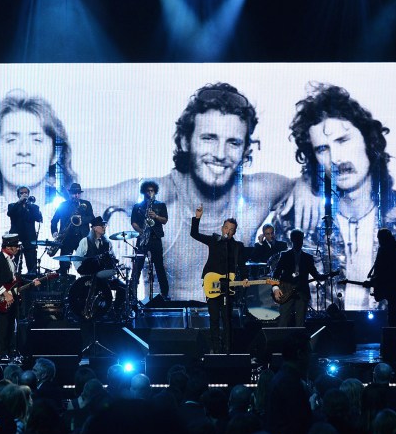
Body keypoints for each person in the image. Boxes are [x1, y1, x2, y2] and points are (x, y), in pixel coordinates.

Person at [84, 82, 312, 302]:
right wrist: (115, 214)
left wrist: (305, 188)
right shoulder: (163, 193)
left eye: (233, 142)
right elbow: (84, 197)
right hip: (167, 324)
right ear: (185, 140)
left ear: (245, 150)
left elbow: (297, 184)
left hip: (229, 319)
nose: (220, 154)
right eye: (209, 138)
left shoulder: (256, 192)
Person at [274, 83, 396, 309]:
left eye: (342, 140)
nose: (336, 158)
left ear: (368, 140)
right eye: (322, 149)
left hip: (391, 335)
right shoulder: (296, 221)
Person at [0, 90, 75, 299]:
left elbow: (38, 219)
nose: (24, 150)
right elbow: (12, 214)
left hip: (32, 250)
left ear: (54, 153)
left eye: (36, 139)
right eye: (11, 140)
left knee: (33, 265)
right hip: (3, 292)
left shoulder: (56, 208)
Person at [191, 205, 248, 354]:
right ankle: (215, 349)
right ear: (222, 228)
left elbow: (242, 265)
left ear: (234, 232)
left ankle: (228, 349)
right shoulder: (214, 240)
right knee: (214, 318)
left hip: (228, 286)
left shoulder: (237, 247)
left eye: (231, 230)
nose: (227, 231)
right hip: (212, 283)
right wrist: (197, 218)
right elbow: (194, 234)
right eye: (226, 228)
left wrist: (245, 278)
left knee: (227, 319)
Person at [0, 234, 41, 362]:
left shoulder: (14, 260)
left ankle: (13, 351)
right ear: (8, 247)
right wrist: (5, 293)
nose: (18, 249)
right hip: (3, 298)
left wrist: (32, 281)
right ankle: (3, 353)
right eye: (15, 247)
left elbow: (17, 280)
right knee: (4, 326)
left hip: (14, 297)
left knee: (14, 325)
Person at [73, 216, 127, 319]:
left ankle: (115, 310)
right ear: (94, 228)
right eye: (101, 225)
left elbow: (112, 259)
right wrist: (83, 273)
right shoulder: (85, 241)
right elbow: (76, 259)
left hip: (104, 277)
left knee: (123, 287)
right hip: (90, 278)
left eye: (104, 225)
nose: (104, 227)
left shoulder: (107, 243)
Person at [271, 229, 324, 327]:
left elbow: (315, 274)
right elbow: (276, 274)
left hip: (302, 292)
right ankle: (280, 341)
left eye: (300, 239)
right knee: (283, 321)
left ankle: (299, 341)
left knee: (300, 323)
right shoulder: (285, 255)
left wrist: (325, 277)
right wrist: (275, 288)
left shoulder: (308, 258)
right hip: (287, 292)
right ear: (292, 240)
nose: (299, 241)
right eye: (296, 239)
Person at [130, 180, 170, 301]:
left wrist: (156, 216)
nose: (150, 193)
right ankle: (132, 295)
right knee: (137, 267)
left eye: (152, 190)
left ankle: (165, 294)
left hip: (155, 238)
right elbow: (133, 222)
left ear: (155, 191)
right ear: (144, 192)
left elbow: (165, 220)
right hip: (142, 239)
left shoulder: (160, 205)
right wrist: (142, 232)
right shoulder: (137, 206)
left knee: (159, 267)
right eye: (147, 191)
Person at [367, 227, 396, 327]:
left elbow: (386, 271)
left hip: (394, 288)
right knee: (393, 316)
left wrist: (375, 280)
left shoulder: (387, 250)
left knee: (393, 317)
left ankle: (394, 338)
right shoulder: (394, 249)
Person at [51, 182, 95, 274]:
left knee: (86, 263)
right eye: (74, 193)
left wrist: (81, 219)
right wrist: (55, 232)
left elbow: (92, 218)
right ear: (70, 193)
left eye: (78, 193)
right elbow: (54, 220)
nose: (76, 195)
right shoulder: (63, 205)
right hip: (67, 238)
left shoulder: (86, 204)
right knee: (64, 265)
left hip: (82, 238)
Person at [8, 186, 42, 274]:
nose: (24, 195)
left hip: (30, 239)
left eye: (26, 193)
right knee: (14, 265)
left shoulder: (33, 207)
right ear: (18, 195)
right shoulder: (12, 206)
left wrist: (30, 205)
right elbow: (10, 213)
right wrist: (19, 202)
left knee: (32, 266)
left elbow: (39, 219)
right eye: (21, 193)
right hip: (15, 240)